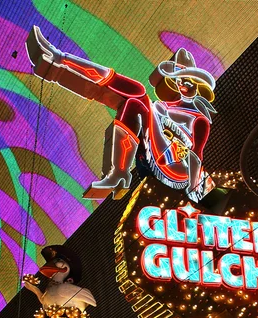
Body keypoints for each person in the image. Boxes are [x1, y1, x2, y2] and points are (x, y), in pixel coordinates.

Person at [26, 26, 216, 202]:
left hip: (176, 169)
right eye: (180, 80)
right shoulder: (164, 107)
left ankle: (59, 60)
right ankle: (119, 173)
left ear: (199, 88)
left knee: (139, 92)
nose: (184, 85)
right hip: (158, 152)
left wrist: (193, 188)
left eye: (190, 83)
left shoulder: (199, 119)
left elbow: (196, 154)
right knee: (132, 102)